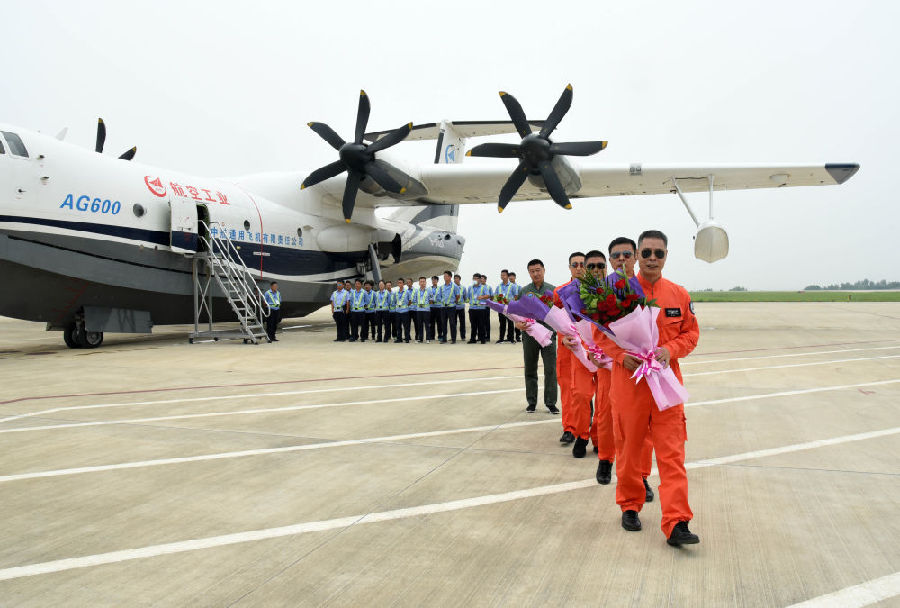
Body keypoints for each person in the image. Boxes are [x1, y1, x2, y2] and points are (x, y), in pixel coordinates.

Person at [596, 230, 700, 546]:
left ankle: (677, 521)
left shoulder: (679, 294)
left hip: (666, 384)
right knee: (629, 447)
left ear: (666, 256)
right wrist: (620, 356)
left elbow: (691, 334)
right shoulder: (617, 293)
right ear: (637, 256)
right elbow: (600, 335)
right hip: (630, 384)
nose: (652, 258)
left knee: (672, 452)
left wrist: (671, 349)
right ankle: (630, 505)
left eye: (659, 253)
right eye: (647, 253)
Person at [604, 236, 655, 501]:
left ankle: (643, 477)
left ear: (635, 256)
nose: (622, 259)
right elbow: (598, 334)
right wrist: (620, 355)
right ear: (610, 259)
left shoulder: (649, 286)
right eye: (616, 255)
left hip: (652, 372)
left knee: (647, 432)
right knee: (625, 434)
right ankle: (629, 499)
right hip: (624, 372)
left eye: (627, 254)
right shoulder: (602, 291)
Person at [565, 250, 606, 458]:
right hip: (581, 353)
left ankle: (599, 437)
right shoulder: (572, 294)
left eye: (600, 266)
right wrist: (564, 339)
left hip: (605, 357)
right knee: (581, 396)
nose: (595, 270)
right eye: (591, 266)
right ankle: (582, 435)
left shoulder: (613, 292)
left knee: (604, 401)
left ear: (605, 268)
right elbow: (564, 323)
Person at [515, 259, 559, 414]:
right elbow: (516, 313)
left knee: (551, 369)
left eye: (538, 270)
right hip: (529, 335)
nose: (535, 273)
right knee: (530, 368)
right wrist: (518, 324)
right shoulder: (524, 291)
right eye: (532, 271)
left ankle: (551, 402)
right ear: (529, 273)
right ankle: (531, 402)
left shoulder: (553, 291)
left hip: (548, 335)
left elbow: (559, 313)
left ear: (544, 270)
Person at [554, 252, 585, 444]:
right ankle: (569, 428)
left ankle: (588, 426)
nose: (579, 268)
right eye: (575, 264)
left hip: (589, 349)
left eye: (582, 264)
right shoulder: (560, 292)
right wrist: (563, 338)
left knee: (586, 391)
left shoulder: (596, 291)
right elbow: (555, 319)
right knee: (567, 389)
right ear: (569, 267)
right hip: (567, 346)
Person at [437, 270, 461, 343]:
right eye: (444, 276)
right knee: (443, 323)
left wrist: (454, 301)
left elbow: (458, 296)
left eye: (446, 276)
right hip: (443, 307)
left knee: (452, 323)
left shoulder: (455, 286)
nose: (444, 277)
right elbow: (439, 296)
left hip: (451, 307)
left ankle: (453, 339)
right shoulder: (441, 287)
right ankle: (444, 339)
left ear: (450, 277)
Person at [495, 269, 515, 344]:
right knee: (502, 323)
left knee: (510, 323)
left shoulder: (512, 286)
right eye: (501, 275)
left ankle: (511, 339)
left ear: (507, 276)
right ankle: (501, 339)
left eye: (504, 275)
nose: (502, 276)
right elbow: (496, 296)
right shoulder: (498, 286)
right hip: (501, 308)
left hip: (510, 307)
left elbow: (516, 297)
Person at [412, 276, 432, 343]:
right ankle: (420, 339)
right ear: (419, 283)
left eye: (423, 281)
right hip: (419, 310)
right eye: (421, 281)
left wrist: (426, 305)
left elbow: (431, 300)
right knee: (420, 325)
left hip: (426, 310)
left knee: (427, 325)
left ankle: (428, 339)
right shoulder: (416, 291)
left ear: (426, 282)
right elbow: (414, 300)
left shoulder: (429, 290)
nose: (422, 283)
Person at [466, 273, 483, 344]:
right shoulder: (470, 288)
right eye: (474, 278)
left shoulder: (483, 287)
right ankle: (473, 339)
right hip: (472, 308)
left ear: (480, 279)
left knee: (481, 324)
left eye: (476, 278)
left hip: (480, 308)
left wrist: (482, 297)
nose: (475, 280)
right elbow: (468, 297)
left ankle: (482, 339)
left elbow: (488, 295)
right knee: (473, 325)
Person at [477, 274, 493, 342]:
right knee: (480, 322)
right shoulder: (478, 287)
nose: (481, 280)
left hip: (486, 307)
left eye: (482, 279)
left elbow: (491, 296)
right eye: (480, 279)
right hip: (479, 307)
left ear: (485, 280)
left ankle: (487, 337)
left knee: (486, 322)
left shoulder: (489, 287)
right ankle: (480, 336)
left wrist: (489, 302)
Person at [394, 278, 411, 343]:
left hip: (405, 311)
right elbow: (395, 301)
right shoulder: (396, 292)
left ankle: (407, 338)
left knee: (406, 326)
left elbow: (410, 301)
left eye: (401, 283)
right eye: (398, 283)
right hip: (398, 311)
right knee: (398, 326)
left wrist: (406, 306)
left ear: (403, 284)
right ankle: (399, 338)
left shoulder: (407, 292)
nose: (399, 284)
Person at [509, 272, 522, 342]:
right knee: (510, 322)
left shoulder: (518, 287)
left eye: (512, 276)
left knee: (517, 321)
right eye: (510, 276)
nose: (511, 277)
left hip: (517, 306)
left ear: (515, 277)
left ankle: (518, 336)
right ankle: (510, 337)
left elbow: (521, 296)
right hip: (509, 307)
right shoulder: (507, 287)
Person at [453, 274, 467, 342]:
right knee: (453, 323)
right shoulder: (452, 288)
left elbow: (465, 297)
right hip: (453, 308)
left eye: (457, 278)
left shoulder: (463, 288)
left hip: (461, 307)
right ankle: (453, 336)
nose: (455, 280)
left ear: (459, 279)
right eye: (455, 278)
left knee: (462, 323)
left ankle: (463, 336)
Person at [428, 276, 441, 341]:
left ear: (437, 281)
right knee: (431, 323)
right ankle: (432, 336)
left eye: (435, 280)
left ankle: (440, 336)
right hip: (431, 307)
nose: (434, 281)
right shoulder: (429, 289)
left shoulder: (440, 288)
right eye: (433, 280)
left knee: (439, 323)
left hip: (439, 307)